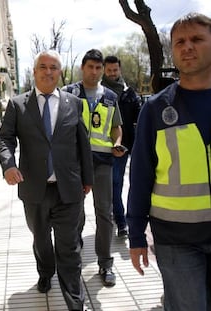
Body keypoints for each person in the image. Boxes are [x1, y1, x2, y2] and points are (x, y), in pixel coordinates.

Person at [0, 50, 93, 311]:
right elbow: (5, 138)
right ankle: (45, 270)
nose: (48, 72)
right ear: (34, 70)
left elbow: (82, 143)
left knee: (69, 247)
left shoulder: (74, 103)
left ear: (60, 72)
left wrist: (88, 178)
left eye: (54, 67)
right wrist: (8, 165)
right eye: (43, 67)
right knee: (41, 240)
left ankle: (75, 302)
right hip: (34, 190)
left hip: (68, 190)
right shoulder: (18, 105)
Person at [127, 12, 211, 311]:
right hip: (176, 239)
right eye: (180, 42)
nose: (187, 47)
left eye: (197, 39)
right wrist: (135, 233)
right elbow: (140, 176)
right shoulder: (156, 109)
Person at [62, 49, 125, 287]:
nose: (95, 72)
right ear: (83, 67)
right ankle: (74, 262)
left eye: (99, 68)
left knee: (105, 213)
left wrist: (117, 143)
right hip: (75, 162)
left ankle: (105, 263)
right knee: (76, 213)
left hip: (103, 161)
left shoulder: (110, 96)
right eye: (91, 67)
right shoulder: (69, 93)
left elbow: (116, 128)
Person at [101, 55, 141, 237]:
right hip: (100, 147)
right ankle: (116, 219)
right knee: (109, 185)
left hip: (122, 148)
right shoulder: (98, 93)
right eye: (108, 70)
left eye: (115, 70)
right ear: (104, 70)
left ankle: (121, 222)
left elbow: (138, 119)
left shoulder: (129, 93)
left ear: (120, 70)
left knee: (117, 183)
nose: (112, 73)